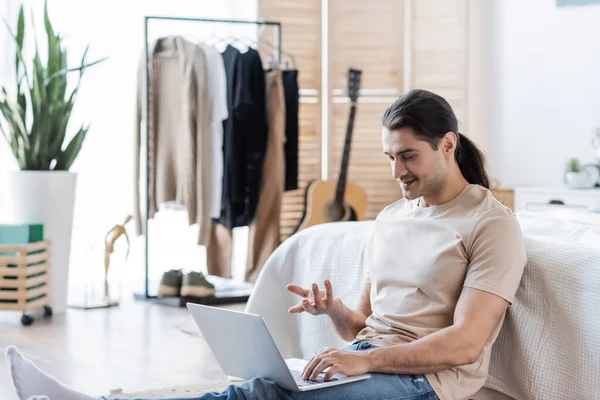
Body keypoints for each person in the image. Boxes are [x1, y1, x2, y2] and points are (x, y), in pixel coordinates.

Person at [5, 89, 527, 400]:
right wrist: (337, 313)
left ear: (448, 145)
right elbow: (367, 326)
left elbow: (466, 344)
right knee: (256, 387)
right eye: (390, 157)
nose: (397, 172)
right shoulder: (391, 217)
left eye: (408, 156)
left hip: (427, 386)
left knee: (268, 396)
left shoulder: (490, 224)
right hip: (371, 357)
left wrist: (366, 360)